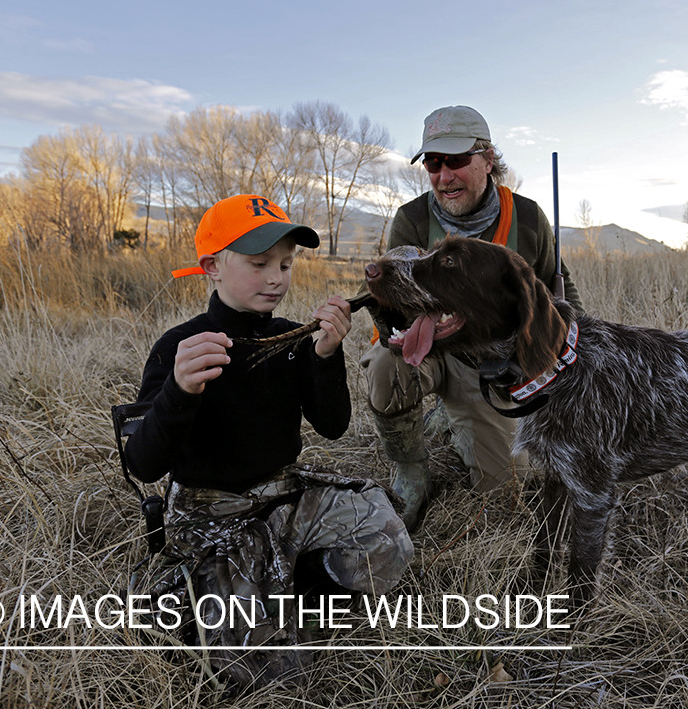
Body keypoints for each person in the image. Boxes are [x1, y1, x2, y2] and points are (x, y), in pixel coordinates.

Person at [125, 194, 412, 687]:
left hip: (285, 497)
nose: (277, 277)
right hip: (211, 515)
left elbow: (332, 426)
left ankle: (290, 593)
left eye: (285, 263)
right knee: (271, 678)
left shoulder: (291, 339)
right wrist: (180, 389)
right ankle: (212, 598)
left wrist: (324, 355)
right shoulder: (181, 347)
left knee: (388, 538)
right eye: (259, 264)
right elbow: (145, 463)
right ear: (212, 267)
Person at [361, 106, 584, 531]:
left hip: (492, 366)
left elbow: (560, 289)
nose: (444, 176)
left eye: (457, 160)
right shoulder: (412, 219)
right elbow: (399, 300)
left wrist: (576, 348)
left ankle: (457, 415)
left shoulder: (529, 218)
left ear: (488, 159)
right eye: (433, 162)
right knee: (385, 365)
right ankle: (410, 468)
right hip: (429, 344)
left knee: (505, 496)